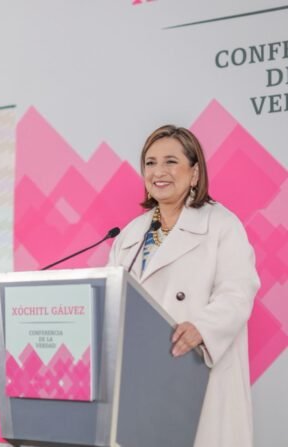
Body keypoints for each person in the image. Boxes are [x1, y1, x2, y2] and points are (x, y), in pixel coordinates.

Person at [107, 125, 260, 447]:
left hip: (196, 369)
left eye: (171, 161)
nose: (158, 172)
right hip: (144, 377)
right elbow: (111, 299)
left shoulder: (221, 224)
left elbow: (237, 291)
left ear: (194, 173)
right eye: (150, 163)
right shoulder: (130, 234)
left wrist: (202, 328)